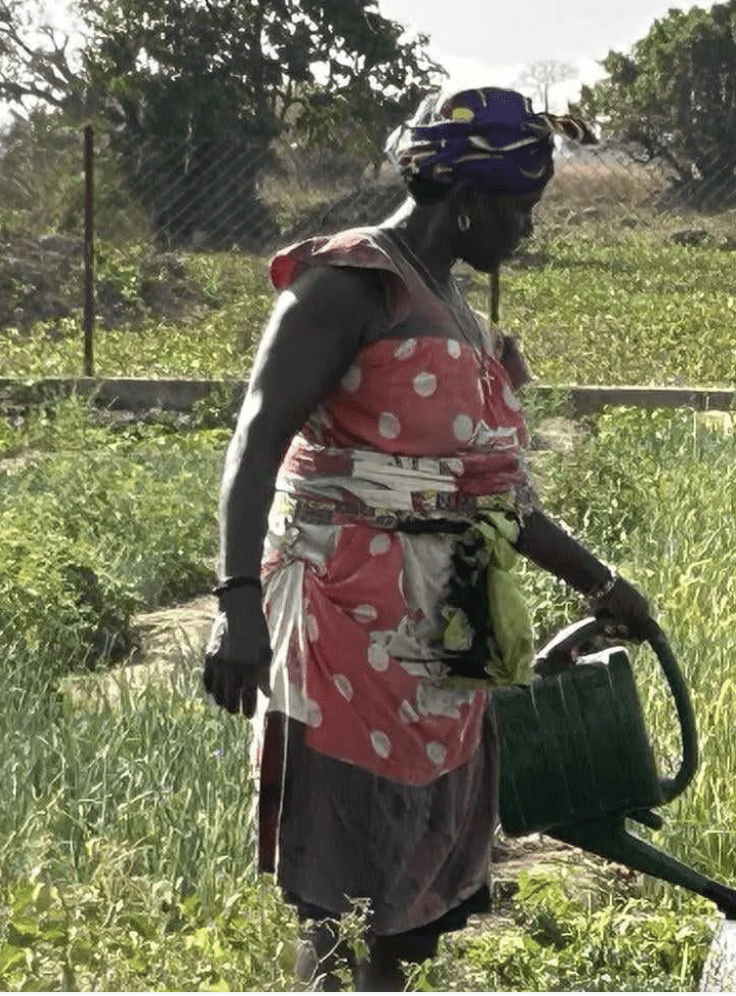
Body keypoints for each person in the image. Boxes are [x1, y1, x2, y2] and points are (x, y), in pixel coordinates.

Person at [201, 87, 660, 991]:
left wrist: (603, 584)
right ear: (470, 201)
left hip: (442, 633)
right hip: (342, 623)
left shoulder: (458, 314)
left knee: (411, 910)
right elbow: (255, 440)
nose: (526, 231)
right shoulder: (350, 286)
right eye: (521, 211)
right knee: (342, 897)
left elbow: (497, 495)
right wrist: (235, 604)